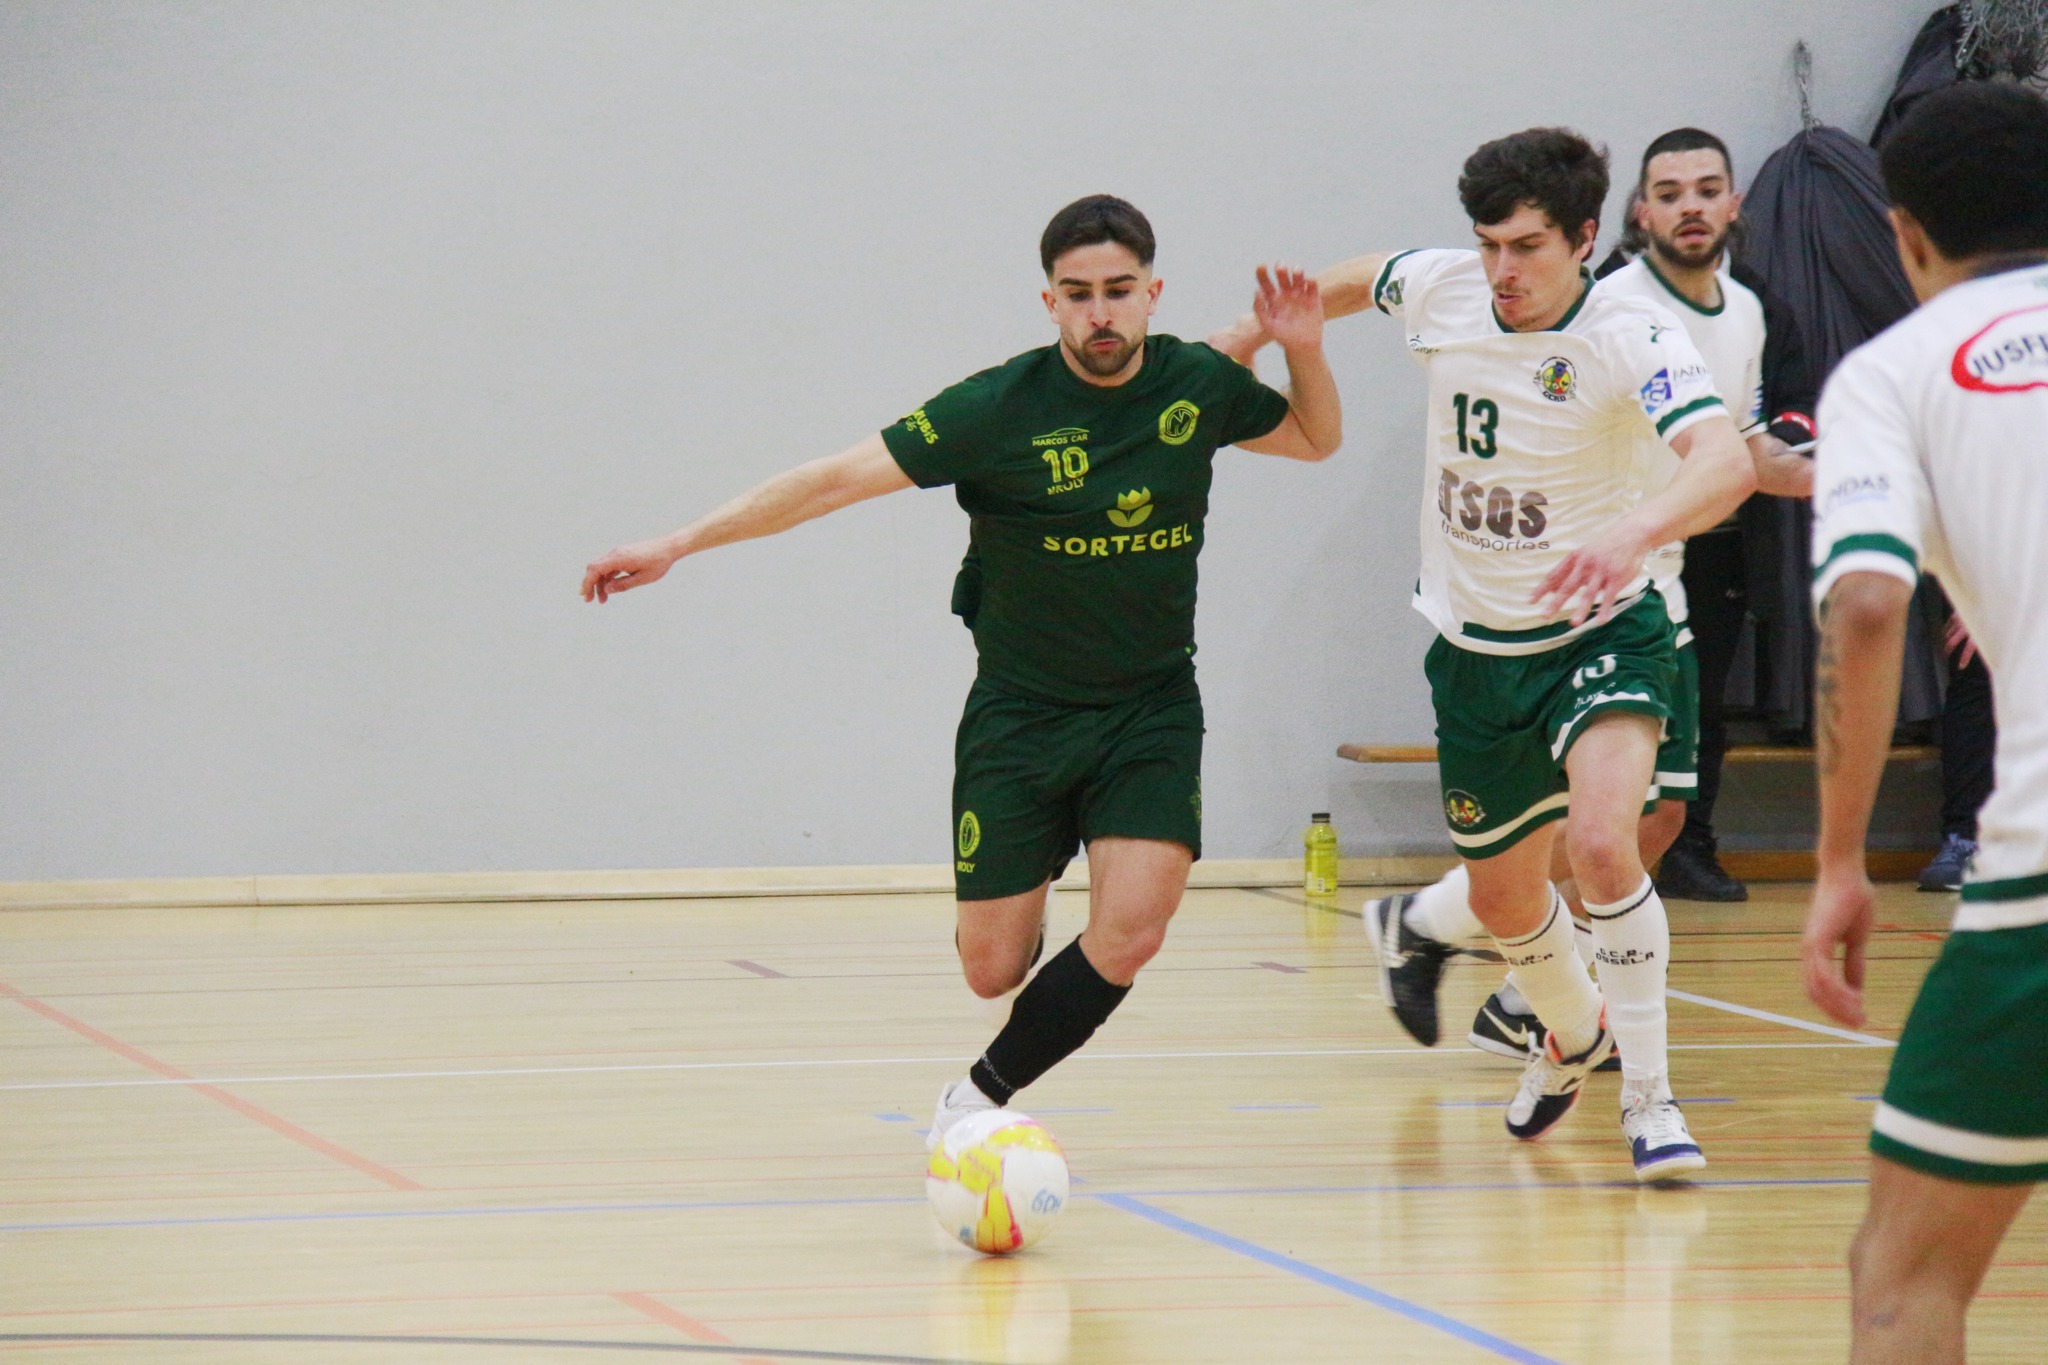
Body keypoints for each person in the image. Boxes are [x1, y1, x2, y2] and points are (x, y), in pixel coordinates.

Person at [581, 195, 1341, 1145]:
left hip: (1150, 706)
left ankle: (978, 1096)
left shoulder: (1197, 386)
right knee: (991, 968)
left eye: (1117, 291)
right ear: (1048, 301)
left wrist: (1300, 346)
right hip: (1021, 717)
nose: (1099, 313)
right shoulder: (997, 409)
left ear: (1152, 292)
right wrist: (680, 542)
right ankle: (1025, 884)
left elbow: (1315, 439)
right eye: (1077, 295)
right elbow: (833, 479)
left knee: (1134, 929)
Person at [1215, 128, 1755, 1179]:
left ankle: (1649, 1101)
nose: (1500, 271)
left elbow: (1722, 459)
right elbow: (1359, 279)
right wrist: (1237, 341)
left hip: (1604, 626)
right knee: (1507, 897)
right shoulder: (1448, 289)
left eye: (1525, 248)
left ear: (1586, 237)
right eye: (1486, 245)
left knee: (1609, 842)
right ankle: (1564, 1033)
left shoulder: (1628, 334)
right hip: (1474, 648)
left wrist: (1630, 533)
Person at [1802, 81, 2048, 1363]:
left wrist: (1839, 860)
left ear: (1901, 235)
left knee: (1901, 1278)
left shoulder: (1890, 372)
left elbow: (1859, 607)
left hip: (2039, 893)